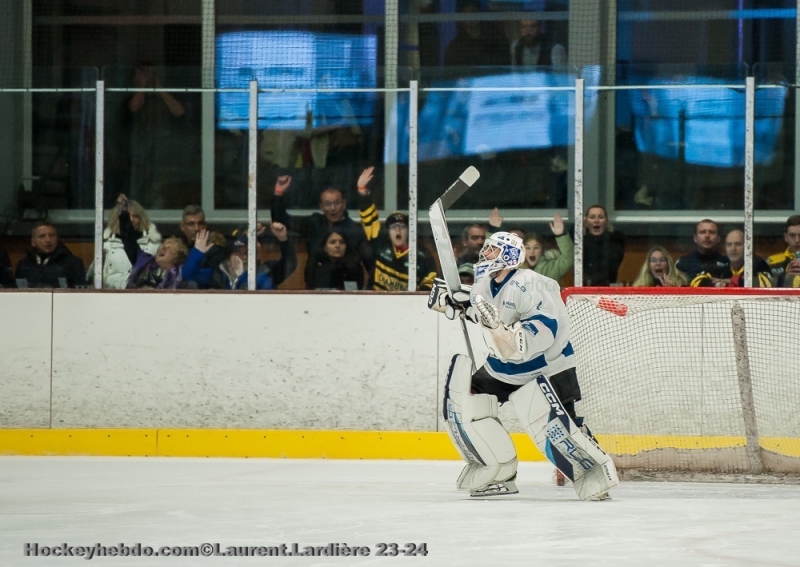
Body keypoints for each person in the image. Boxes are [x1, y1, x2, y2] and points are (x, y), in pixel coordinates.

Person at [427, 231, 617, 500]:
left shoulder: (534, 283)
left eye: (492, 250)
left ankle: (596, 474)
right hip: (503, 367)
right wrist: (458, 303)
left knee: (564, 427)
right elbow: (487, 315)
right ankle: (500, 471)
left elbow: (543, 331)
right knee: (465, 405)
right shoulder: (483, 284)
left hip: (548, 366)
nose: (485, 254)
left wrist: (504, 331)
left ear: (508, 255)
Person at [271, 174, 369, 287]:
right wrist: (278, 193)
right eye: (328, 204)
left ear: (344, 204)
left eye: (337, 203)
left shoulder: (355, 230)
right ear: (321, 206)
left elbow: (369, 264)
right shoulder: (314, 223)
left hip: (347, 292)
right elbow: (282, 220)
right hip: (315, 288)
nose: (333, 208)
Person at [357, 167, 436, 291]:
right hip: (375, 304)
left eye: (402, 227)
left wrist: (414, 301)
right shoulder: (380, 242)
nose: (398, 231)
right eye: (393, 227)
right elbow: (368, 219)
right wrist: (362, 191)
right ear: (388, 231)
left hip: (405, 307)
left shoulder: (422, 256)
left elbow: (430, 282)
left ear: (410, 231)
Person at [128, 64, 187, 208]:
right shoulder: (130, 95)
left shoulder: (164, 95)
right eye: (143, 72)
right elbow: (133, 107)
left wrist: (158, 87)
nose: (148, 76)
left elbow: (179, 111)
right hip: (139, 150)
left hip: (163, 149)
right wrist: (143, 85)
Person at [182, 224, 296, 291]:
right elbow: (188, 275)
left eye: (254, 245)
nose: (246, 253)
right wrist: (197, 252)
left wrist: (283, 240)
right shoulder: (218, 274)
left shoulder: (266, 270)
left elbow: (290, 263)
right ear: (231, 253)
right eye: (242, 249)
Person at [95, 194, 162, 289]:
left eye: (135, 216)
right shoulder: (106, 245)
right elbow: (98, 278)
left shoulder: (154, 245)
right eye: (128, 216)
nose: (131, 219)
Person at [15, 223, 86, 288]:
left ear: (57, 239)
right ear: (33, 242)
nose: (48, 240)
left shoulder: (73, 263)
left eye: (51, 236)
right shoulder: (24, 265)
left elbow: (79, 293)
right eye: (42, 236)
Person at [443, 2, 508, 68]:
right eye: (466, 13)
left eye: (473, 12)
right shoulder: (455, 48)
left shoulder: (495, 40)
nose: (470, 17)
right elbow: (451, 73)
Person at [519, 213, 573, 282]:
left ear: (542, 250)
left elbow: (568, 258)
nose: (532, 251)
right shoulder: (515, 270)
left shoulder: (552, 269)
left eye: (536, 248)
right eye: (528, 248)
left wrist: (560, 235)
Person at [676, 219, 730, 287]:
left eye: (712, 232)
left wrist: (729, 281)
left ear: (718, 238)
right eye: (702, 232)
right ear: (695, 238)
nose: (707, 236)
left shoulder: (728, 263)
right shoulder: (683, 263)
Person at [582, 205, 625, 286]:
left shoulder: (614, 241)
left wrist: (609, 231)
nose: (596, 220)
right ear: (586, 221)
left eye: (601, 217)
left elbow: (613, 263)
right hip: (584, 287)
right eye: (592, 217)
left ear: (606, 221)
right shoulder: (579, 242)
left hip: (608, 287)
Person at [767, 215, 800, 288]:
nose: (797, 240)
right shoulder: (772, 262)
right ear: (786, 237)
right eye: (792, 236)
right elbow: (764, 289)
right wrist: (785, 278)